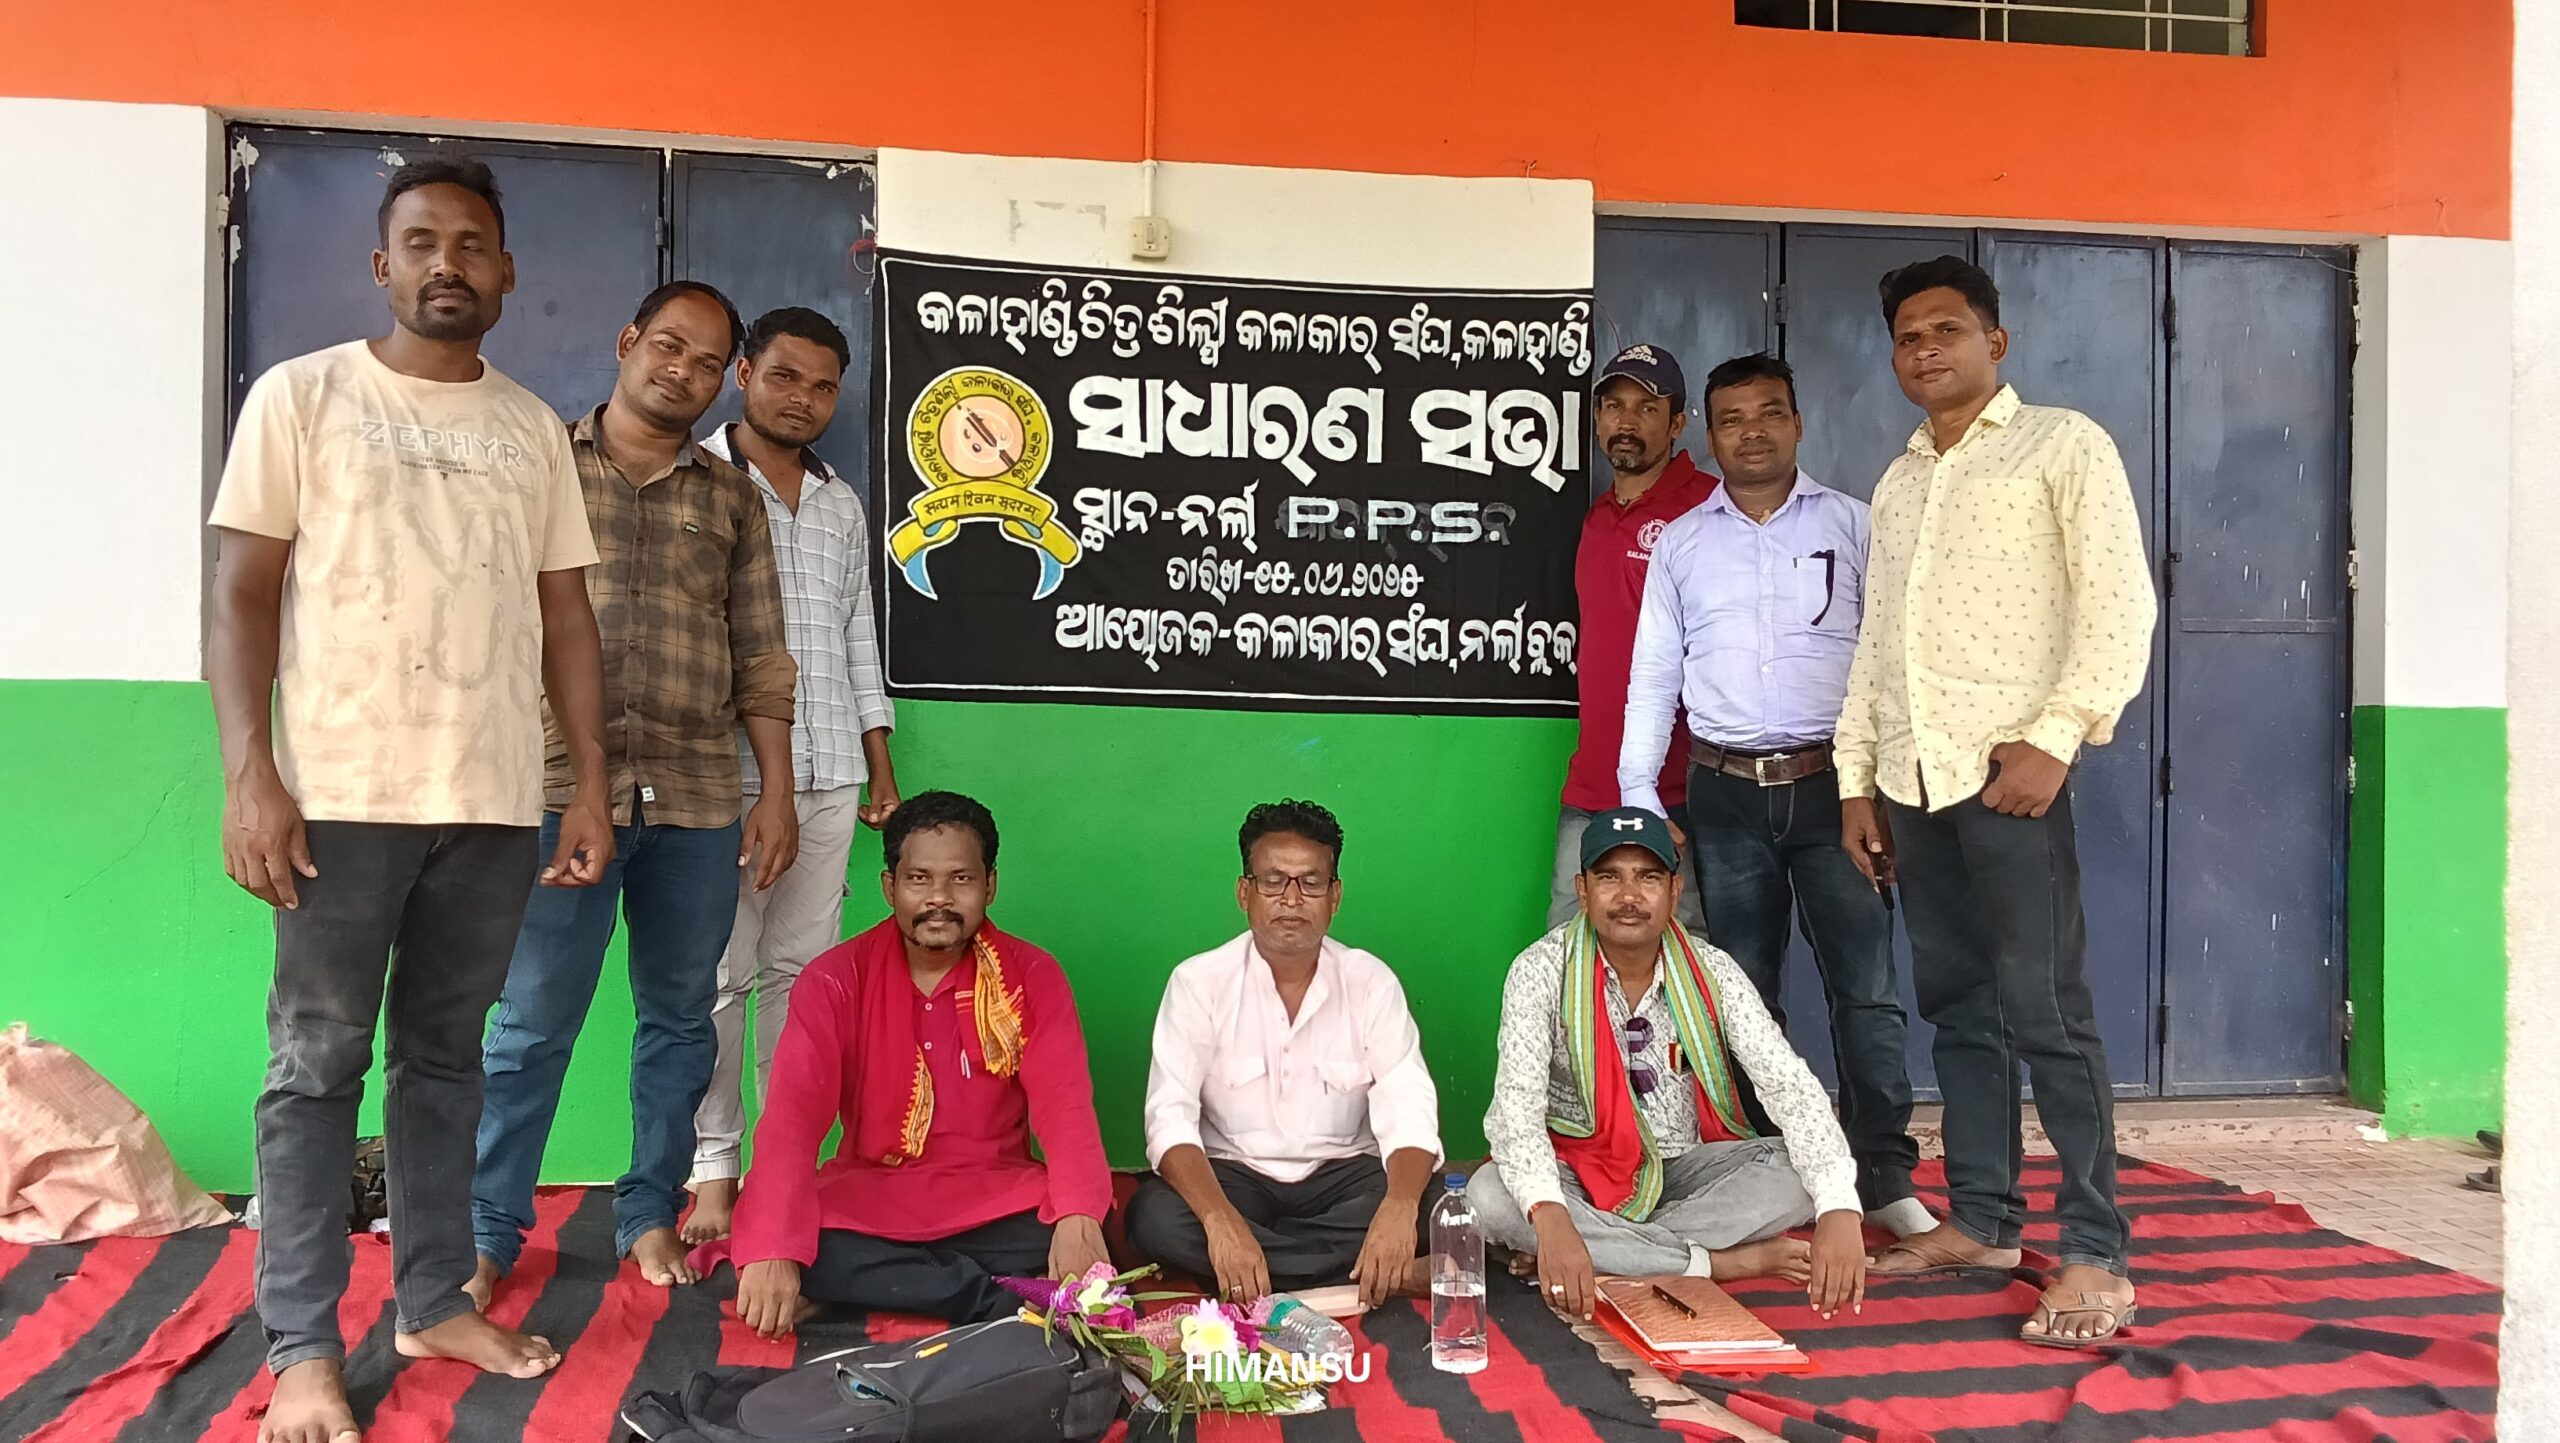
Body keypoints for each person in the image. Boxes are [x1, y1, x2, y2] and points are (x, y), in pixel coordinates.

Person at [209, 155, 610, 1443]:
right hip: (338, 795)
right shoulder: (303, 397)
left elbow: (565, 617)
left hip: (489, 803)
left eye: (472, 243)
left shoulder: (531, 428)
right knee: (315, 1067)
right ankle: (301, 1348)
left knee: (445, 1063)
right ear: (383, 266)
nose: (449, 263)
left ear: (507, 272)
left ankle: (432, 1300)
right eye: (423, 241)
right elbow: (241, 595)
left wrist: (587, 784)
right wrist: (251, 773)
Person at [1837, 256, 2156, 1346]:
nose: (1925, 349)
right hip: (1912, 785)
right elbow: (1876, 646)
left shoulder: (2063, 445)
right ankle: (1981, 1221)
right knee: (1959, 1009)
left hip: (2011, 784)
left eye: (1947, 330)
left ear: (1995, 342)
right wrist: (1859, 780)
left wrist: (2056, 740)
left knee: (2048, 1013)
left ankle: (2095, 1251)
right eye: (1907, 337)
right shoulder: (1899, 481)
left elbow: (2118, 607)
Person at [470, 280, 801, 1307]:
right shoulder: (542, 467)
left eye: (706, 362)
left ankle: (649, 1208)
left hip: (697, 802)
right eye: (669, 346)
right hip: (556, 793)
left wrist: (776, 791)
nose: (683, 372)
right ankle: (487, 1228)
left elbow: (761, 654)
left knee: (681, 1020)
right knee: (532, 1021)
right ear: (627, 342)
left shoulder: (732, 498)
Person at [1619, 352, 1930, 1240]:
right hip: (1723, 796)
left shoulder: (1856, 525)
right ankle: (1773, 1164)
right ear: (1710, 435)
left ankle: (1882, 1172)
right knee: (1744, 993)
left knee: (1865, 988)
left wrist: (1887, 783)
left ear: (1797, 422)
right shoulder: (1683, 543)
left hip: (1839, 791)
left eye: (1769, 413)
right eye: (1732, 418)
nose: (1751, 432)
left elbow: (1895, 659)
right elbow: (1654, 675)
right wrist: (1640, 793)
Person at [712, 791, 1114, 1338]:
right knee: (791, 1243)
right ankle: (995, 1296)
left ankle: (889, 1287)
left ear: (990, 886)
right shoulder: (834, 980)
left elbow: (1064, 1107)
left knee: (1085, 1226)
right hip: (870, 1200)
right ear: (890, 887)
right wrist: (774, 1247)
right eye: (919, 879)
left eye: (961, 879)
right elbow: (792, 1118)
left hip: (999, 1201)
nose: (939, 898)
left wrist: (1078, 1218)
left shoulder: (1032, 975)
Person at [683, 308, 902, 1245]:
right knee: (719, 978)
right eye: (784, 377)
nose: (802, 399)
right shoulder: (696, 480)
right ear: (743, 374)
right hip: (725, 776)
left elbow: (858, 636)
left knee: (802, 979)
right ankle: (713, 1167)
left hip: (832, 771)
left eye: (821, 387)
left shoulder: (840, 502)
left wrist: (878, 762)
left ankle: (783, 1162)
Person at [1471, 809, 1867, 1325]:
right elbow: (1516, 1113)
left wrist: (1840, 1207)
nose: (1629, 896)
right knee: (1489, 1195)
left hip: (1683, 1172)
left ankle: (1608, 1251)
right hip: (1577, 1170)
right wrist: (1550, 1216)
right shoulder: (1539, 970)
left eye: (1648, 877)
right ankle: (1713, 1264)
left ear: (1674, 890)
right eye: (1609, 878)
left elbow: (1789, 1086)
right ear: (1583, 890)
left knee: (1802, 1172)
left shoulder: (1713, 969)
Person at [1128, 800, 1443, 1308]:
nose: (1291, 899)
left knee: (1435, 1204)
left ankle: (1267, 1270)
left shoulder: (1370, 981)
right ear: (1244, 892)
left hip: (1343, 1174)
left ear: (1335, 895)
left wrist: (1400, 1208)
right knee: (1153, 1217)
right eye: (1273, 881)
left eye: (1310, 883)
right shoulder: (1198, 983)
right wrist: (1221, 1222)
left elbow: (1409, 1105)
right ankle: (1371, 1272)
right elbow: (1169, 1118)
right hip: (1235, 1176)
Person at [1554, 344, 1715, 931]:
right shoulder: (1598, 516)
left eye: (1647, 408)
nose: (1627, 421)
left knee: (1689, 956)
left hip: (1680, 791)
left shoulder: (1709, 508)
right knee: (1565, 951)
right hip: (1592, 783)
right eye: (1614, 406)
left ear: (1675, 424)